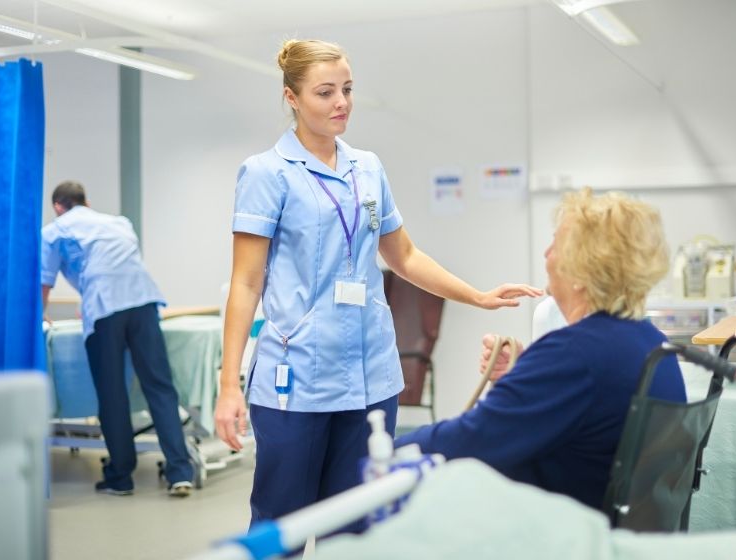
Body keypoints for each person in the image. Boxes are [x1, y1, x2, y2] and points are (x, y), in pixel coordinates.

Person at [214, 38, 543, 527]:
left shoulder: (366, 168)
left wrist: (476, 295)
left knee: (361, 524)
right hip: (297, 378)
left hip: (371, 375)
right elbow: (245, 283)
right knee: (281, 522)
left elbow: (404, 256)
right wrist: (228, 385)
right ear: (292, 98)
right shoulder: (267, 174)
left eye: (347, 89)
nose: (341, 102)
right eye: (325, 92)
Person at [396, 188, 687, 510]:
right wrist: (525, 376)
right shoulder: (650, 342)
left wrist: (388, 450)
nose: (546, 254)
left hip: (560, 527)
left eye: (556, 246)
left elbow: (472, 441)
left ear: (581, 272)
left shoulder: (575, 353)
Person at [41, 181, 194, 497]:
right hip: (144, 301)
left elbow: (44, 283)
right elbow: (121, 263)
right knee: (160, 388)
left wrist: (41, 316)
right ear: (86, 201)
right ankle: (180, 472)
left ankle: (120, 477)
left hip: (105, 307)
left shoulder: (54, 230)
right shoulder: (119, 222)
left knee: (112, 395)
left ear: (58, 206)